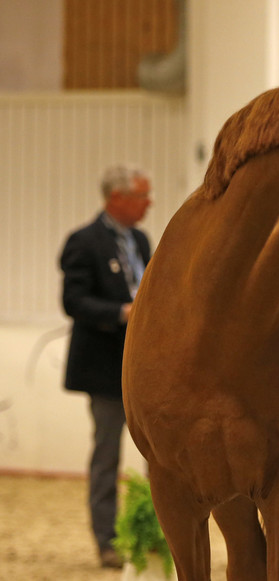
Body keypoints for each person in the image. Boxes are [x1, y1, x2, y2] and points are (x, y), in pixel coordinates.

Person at [59, 165, 152, 569]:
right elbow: (74, 301)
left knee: (160, 456)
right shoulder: (84, 242)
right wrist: (121, 312)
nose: (149, 204)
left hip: (145, 367)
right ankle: (107, 541)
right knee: (107, 456)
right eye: (142, 197)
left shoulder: (142, 239)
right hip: (105, 367)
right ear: (117, 199)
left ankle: (153, 531)